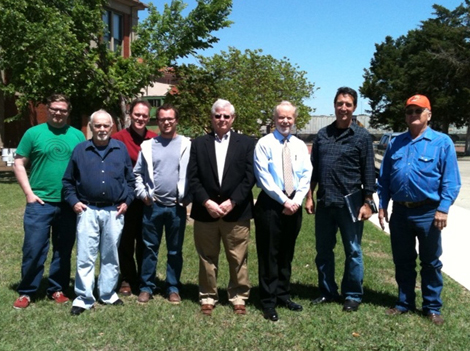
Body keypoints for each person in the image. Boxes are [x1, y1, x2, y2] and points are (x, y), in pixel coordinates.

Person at [377, 94, 461, 326]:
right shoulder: (396, 142)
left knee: (431, 262)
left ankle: (432, 307)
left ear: (428, 114)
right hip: (400, 213)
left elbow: (451, 181)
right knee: (403, 260)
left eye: (418, 111)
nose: (413, 115)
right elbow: (383, 178)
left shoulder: (442, 142)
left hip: (428, 213)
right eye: (409, 111)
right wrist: (382, 205)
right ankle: (404, 303)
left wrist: (443, 209)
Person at [306, 87, 376, 312]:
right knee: (323, 250)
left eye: (348, 104)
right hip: (325, 202)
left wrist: (368, 203)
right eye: (339, 103)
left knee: (353, 251)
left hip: (351, 204)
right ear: (334, 106)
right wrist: (310, 197)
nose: (343, 108)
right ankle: (327, 291)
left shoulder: (362, 137)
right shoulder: (323, 135)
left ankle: (352, 295)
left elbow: (368, 172)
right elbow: (314, 170)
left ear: (354, 107)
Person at [12, 94, 85, 309]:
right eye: (54, 108)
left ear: (68, 111)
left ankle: (57, 288)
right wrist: (29, 193)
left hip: (68, 203)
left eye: (63, 109)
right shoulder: (33, 133)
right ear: (48, 109)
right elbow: (19, 163)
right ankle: (26, 291)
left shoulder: (78, 136)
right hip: (40, 203)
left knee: (63, 249)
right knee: (34, 248)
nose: (58, 112)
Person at [62, 109, 135, 316]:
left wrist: (127, 201)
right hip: (88, 209)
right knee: (86, 255)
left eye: (105, 125)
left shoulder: (120, 149)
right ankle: (84, 297)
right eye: (97, 125)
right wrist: (74, 202)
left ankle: (107, 294)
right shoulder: (80, 150)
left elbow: (130, 180)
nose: (102, 129)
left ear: (111, 127)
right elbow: (68, 181)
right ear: (91, 127)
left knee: (111, 255)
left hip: (114, 211)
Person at [188, 99, 255, 316]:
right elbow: (193, 177)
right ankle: (208, 296)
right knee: (207, 257)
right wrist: (206, 202)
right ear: (212, 118)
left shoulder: (246, 143)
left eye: (226, 116)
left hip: (236, 212)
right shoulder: (198, 144)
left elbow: (249, 177)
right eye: (218, 115)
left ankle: (239, 296)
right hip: (205, 211)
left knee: (238, 257)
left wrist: (232, 201)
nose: (222, 119)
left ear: (233, 118)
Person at [254, 101, 312, 322]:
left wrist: (296, 200)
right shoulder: (264, 144)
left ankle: (283, 294)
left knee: (287, 253)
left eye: (289, 118)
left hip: (294, 204)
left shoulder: (299, 145)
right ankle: (268, 301)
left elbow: (306, 174)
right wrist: (284, 201)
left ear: (294, 119)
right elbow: (263, 177)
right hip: (271, 204)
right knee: (269, 253)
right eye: (281, 117)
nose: (285, 121)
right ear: (274, 119)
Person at [134, 104, 191, 304]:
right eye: (162, 119)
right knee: (150, 248)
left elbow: (193, 174)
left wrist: (188, 197)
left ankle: (173, 287)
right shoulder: (148, 146)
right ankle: (146, 286)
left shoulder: (187, 144)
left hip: (176, 206)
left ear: (176, 120)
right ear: (157, 122)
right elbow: (137, 174)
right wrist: (143, 195)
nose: (166, 122)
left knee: (175, 250)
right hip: (153, 206)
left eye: (170, 119)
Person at [111, 99, 157, 296]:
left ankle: (144, 280)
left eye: (144, 115)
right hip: (126, 199)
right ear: (130, 114)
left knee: (146, 242)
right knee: (126, 241)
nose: (140, 118)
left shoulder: (154, 139)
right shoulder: (118, 138)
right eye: (137, 114)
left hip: (149, 199)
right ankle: (127, 279)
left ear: (148, 117)